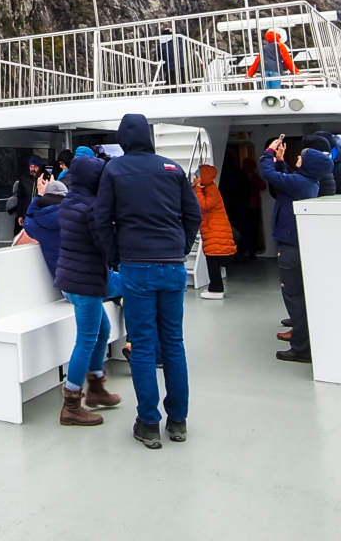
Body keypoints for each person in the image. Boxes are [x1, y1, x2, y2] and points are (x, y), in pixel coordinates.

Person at [92, 112, 199, 449]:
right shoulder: (171, 168)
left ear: (124, 139)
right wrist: (179, 248)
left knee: (141, 345)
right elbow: (193, 214)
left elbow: (101, 218)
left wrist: (115, 257)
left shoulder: (115, 170)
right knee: (173, 343)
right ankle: (178, 421)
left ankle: (149, 424)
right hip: (172, 267)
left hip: (136, 267)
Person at [51, 153, 122, 425]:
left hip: (71, 279)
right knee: (87, 339)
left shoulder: (70, 202)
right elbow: (104, 244)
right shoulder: (92, 208)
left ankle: (96, 388)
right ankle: (71, 403)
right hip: (86, 282)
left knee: (101, 330)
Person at [259, 136, 329, 361]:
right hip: (295, 243)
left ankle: (301, 347)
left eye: (301, 157)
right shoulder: (307, 182)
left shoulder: (301, 183)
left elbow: (270, 175)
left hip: (291, 247)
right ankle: (303, 339)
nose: (297, 157)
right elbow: (285, 178)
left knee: (293, 295)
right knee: (297, 295)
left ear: (309, 165)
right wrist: (280, 161)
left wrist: (269, 152)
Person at [192, 164, 237, 299]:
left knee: (213, 261)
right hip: (215, 230)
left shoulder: (211, 190)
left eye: (197, 177)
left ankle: (216, 289)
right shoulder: (210, 188)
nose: (195, 179)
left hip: (215, 231)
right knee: (213, 260)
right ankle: (215, 287)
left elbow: (203, 205)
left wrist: (197, 189)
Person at [21, 178, 66, 277]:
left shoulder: (39, 223)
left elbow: (27, 221)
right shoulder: (78, 213)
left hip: (63, 278)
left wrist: (39, 195)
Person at [14, 155, 49, 233]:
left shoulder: (47, 178)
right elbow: (20, 198)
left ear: (40, 167)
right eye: (31, 167)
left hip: (42, 215)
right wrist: (19, 215)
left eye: (35, 167)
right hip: (27, 215)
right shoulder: (24, 179)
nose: (32, 169)